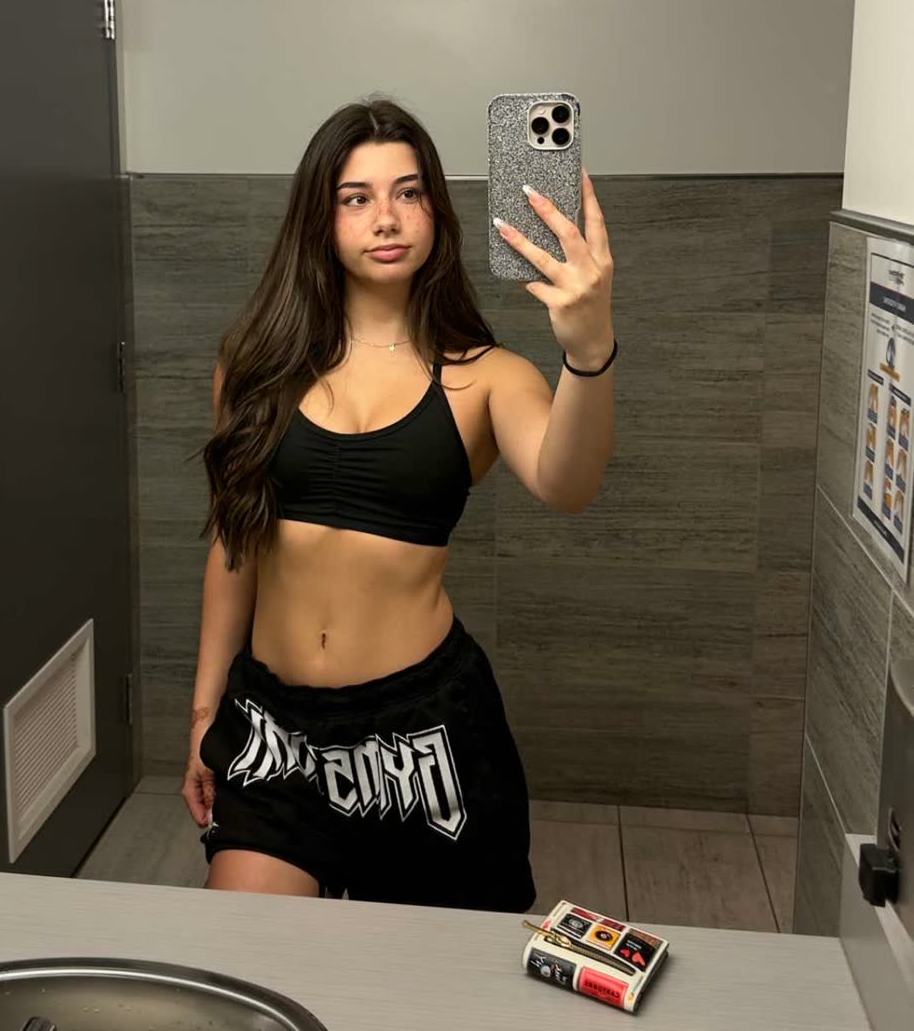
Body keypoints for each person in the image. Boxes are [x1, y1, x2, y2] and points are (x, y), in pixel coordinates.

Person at [180, 95, 616, 910]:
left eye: (408, 192)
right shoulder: (253, 365)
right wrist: (207, 710)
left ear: (436, 212)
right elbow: (234, 544)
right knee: (242, 952)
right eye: (356, 198)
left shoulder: (487, 376)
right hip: (274, 731)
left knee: (420, 980)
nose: (386, 218)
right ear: (319, 219)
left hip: (421, 740)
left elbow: (568, 485)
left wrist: (587, 350)